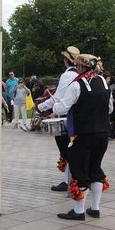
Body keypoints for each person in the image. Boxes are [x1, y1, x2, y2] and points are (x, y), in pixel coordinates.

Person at [52, 54, 113, 220]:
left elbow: (61, 108)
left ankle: (79, 211)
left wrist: (54, 103)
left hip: (83, 135)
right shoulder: (103, 82)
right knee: (95, 168)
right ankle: (95, 208)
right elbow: (110, 109)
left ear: (79, 67)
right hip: (102, 134)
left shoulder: (76, 85)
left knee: (79, 170)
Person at [36, 46, 81, 191]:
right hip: (81, 117)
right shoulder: (84, 75)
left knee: (66, 150)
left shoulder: (67, 76)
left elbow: (57, 98)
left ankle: (68, 181)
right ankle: (79, 179)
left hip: (68, 117)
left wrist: (41, 107)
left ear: (66, 60)